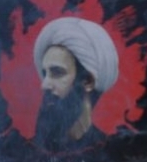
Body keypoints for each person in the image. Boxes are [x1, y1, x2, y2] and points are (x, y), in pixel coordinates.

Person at [31, 17, 119, 153]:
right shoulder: (31, 150)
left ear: (88, 81)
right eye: (45, 74)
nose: (44, 85)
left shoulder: (109, 151)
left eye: (57, 73)